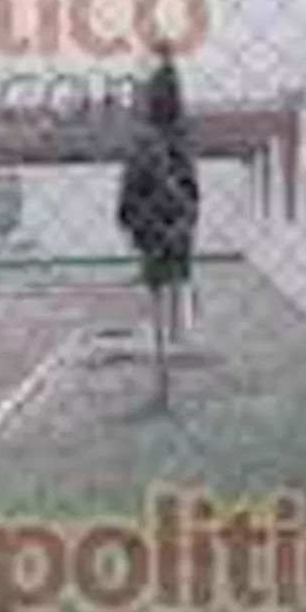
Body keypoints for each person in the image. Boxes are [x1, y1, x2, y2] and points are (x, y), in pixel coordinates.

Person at [116, 48, 200, 407]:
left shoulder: (159, 139)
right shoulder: (164, 140)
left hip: (162, 221)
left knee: (163, 285)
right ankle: (165, 369)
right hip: (161, 221)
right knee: (165, 284)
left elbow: (135, 200)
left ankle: (165, 368)